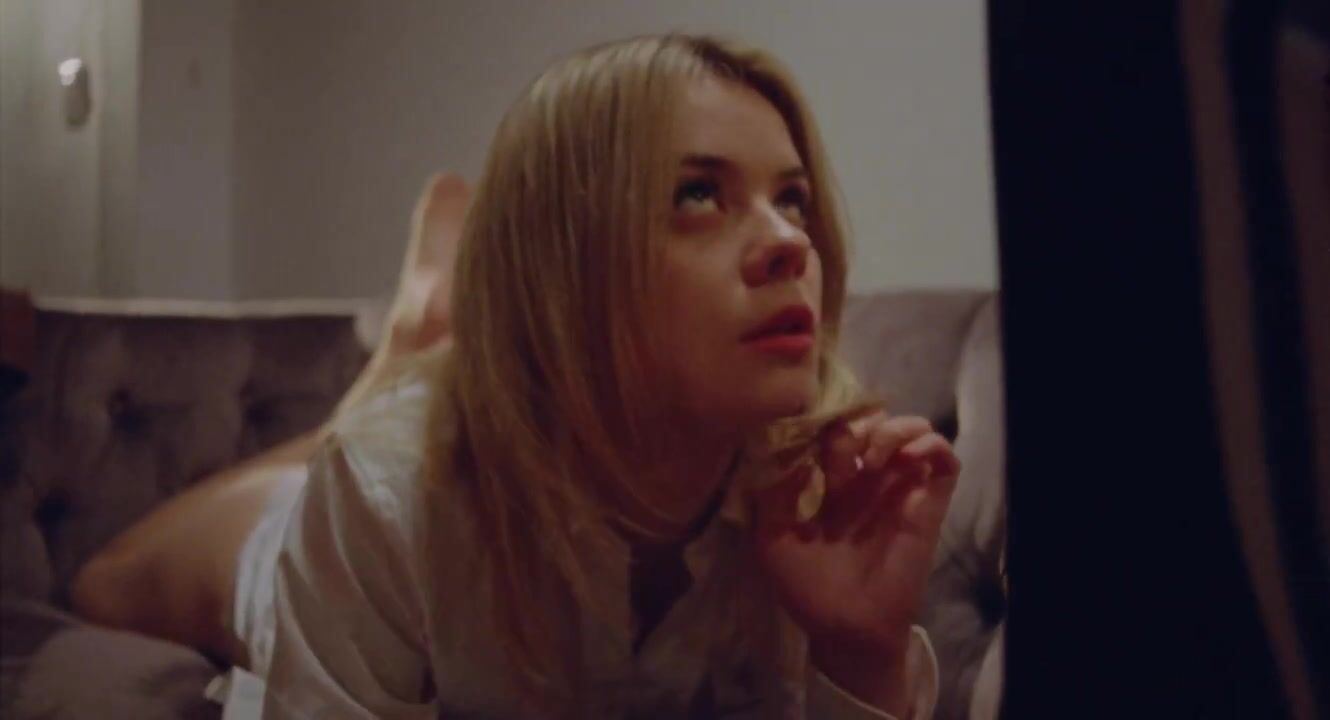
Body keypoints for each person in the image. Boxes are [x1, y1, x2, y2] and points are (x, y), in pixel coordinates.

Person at [74, 34, 960, 719]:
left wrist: (862, 657)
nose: (790, 242)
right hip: (339, 518)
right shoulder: (389, 491)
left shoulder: (821, 492)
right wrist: (364, 446)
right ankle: (412, 361)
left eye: (791, 198)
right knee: (106, 582)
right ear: (562, 267)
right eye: (698, 194)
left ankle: (422, 350)